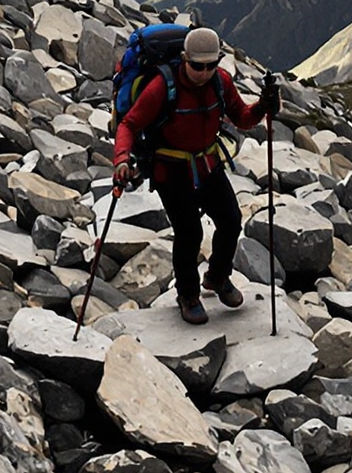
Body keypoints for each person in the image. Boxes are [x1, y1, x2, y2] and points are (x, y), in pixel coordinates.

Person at [112, 25, 279, 323]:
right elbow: (129, 124)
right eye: (197, 66)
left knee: (230, 221)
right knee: (190, 233)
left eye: (211, 65)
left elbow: (242, 118)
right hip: (171, 171)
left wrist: (263, 106)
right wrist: (122, 159)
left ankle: (217, 278)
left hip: (207, 164)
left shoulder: (221, 82)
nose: (204, 72)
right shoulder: (162, 87)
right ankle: (188, 295)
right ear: (185, 58)